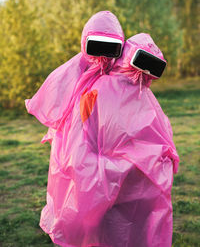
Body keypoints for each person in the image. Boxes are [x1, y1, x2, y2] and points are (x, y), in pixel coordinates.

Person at [46, 33, 179, 246]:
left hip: (121, 181)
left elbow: (158, 135)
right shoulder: (103, 92)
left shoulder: (133, 93)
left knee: (116, 230)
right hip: (117, 180)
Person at [25, 10, 125, 246]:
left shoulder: (119, 75)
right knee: (81, 188)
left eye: (109, 46)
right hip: (80, 139)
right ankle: (84, 229)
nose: (101, 54)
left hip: (110, 139)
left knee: (106, 194)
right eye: (96, 45)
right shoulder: (76, 71)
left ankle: (99, 230)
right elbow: (64, 103)